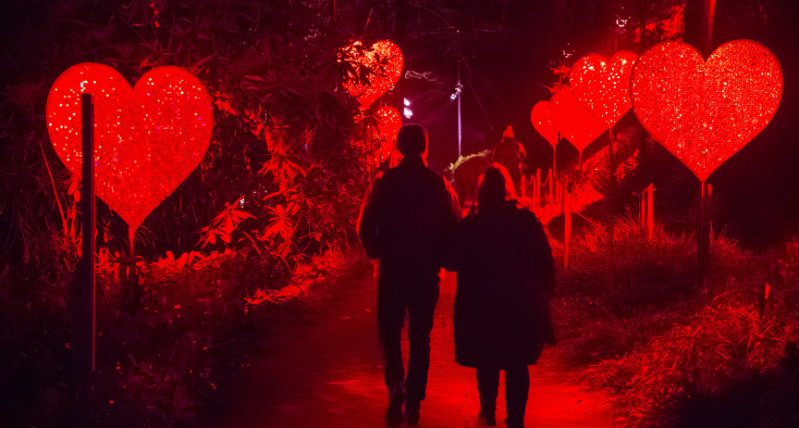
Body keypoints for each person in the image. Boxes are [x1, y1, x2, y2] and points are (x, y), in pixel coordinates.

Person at [357, 124, 461, 427]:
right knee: (420, 335)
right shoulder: (438, 184)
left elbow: (366, 223)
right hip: (426, 272)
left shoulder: (384, 181)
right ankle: (415, 395)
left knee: (389, 331)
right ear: (424, 148)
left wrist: (377, 252)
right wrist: (444, 257)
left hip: (391, 270)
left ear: (399, 148)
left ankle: (396, 385)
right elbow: (454, 226)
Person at [451, 164, 555, 428]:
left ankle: (488, 411)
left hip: (480, 305)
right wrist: (543, 295)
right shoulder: (528, 222)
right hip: (519, 304)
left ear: (481, 192)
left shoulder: (471, 225)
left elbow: (451, 259)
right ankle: (516, 418)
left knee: (486, 359)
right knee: (516, 363)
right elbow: (546, 261)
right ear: (509, 189)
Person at [492, 126, 526, 193]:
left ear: (503, 137)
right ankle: (512, 200)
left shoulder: (499, 147)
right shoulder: (518, 146)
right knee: (514, 189)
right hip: (515, 171)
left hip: (504, 171)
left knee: (503, 189)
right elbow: (523, 157)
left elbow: (494, 159)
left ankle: (504, 201)